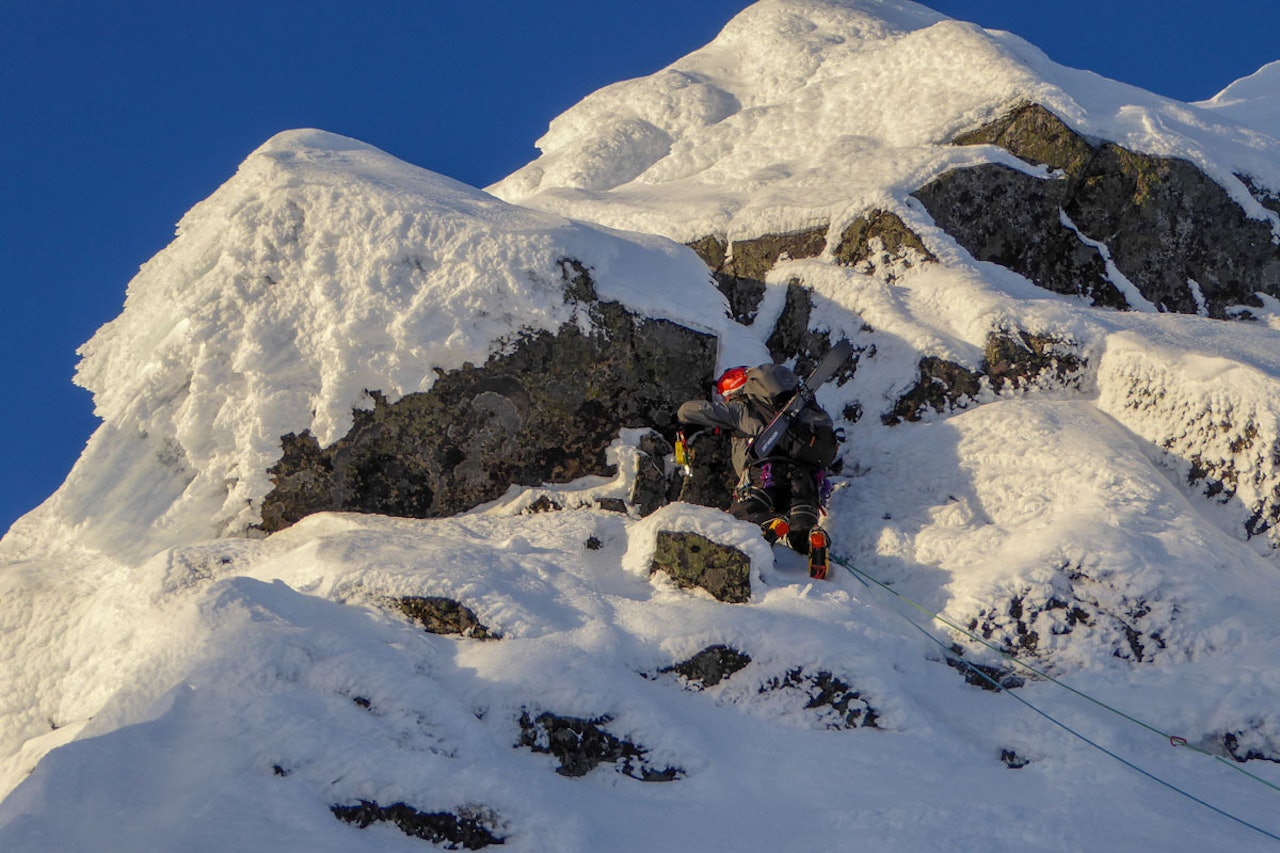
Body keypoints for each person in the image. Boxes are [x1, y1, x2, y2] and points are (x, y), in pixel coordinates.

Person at [677, 363, 832, 579]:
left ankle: (766, 523)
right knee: (801, 520)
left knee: (743, 514)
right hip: (807, 476)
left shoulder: (741, 408)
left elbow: (688, 410)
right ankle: (811, 538)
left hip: (766, 472)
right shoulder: (798, 410)